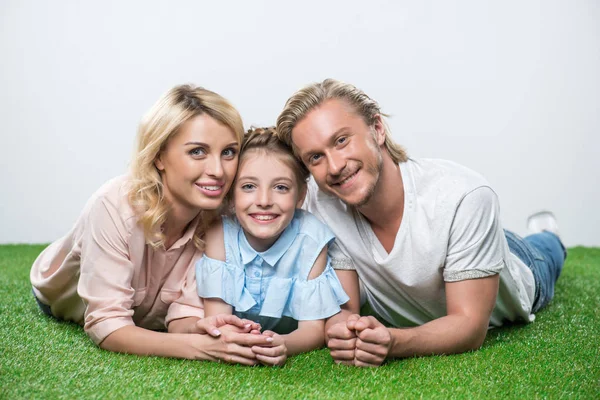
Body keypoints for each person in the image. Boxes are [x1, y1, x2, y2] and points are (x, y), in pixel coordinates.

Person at [275, 79, 567, 367]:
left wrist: (393, 341)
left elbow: (470, 326)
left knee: (545, 250)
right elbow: (345, 308)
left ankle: (546, 232)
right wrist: (344, 329)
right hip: (460, 239)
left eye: (341, 141)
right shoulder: (322, 203)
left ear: (377, 129)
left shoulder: (465, 196)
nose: (335, 166)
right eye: (316, 157)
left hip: (519, 267)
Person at [30, 84, 274, 364]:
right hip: (58, 298)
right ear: (158, 155)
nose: (218, 171)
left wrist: (207, 329)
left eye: (229, 152)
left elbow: (184, 315)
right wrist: (203, 348)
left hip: (147, 316)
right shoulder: (113, 205)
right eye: (197, 152)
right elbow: (108, 327)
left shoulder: (222, 217)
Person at [196, 127, 349, 366]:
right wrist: (232, 337)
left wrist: (285, 344)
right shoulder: (220, 232)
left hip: (285, 335)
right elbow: (217, 318)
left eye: (281, 187)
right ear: (231, 195)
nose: (264, 201)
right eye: (248, 187)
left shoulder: (311, 239)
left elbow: (313, 329)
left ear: (300, 196)